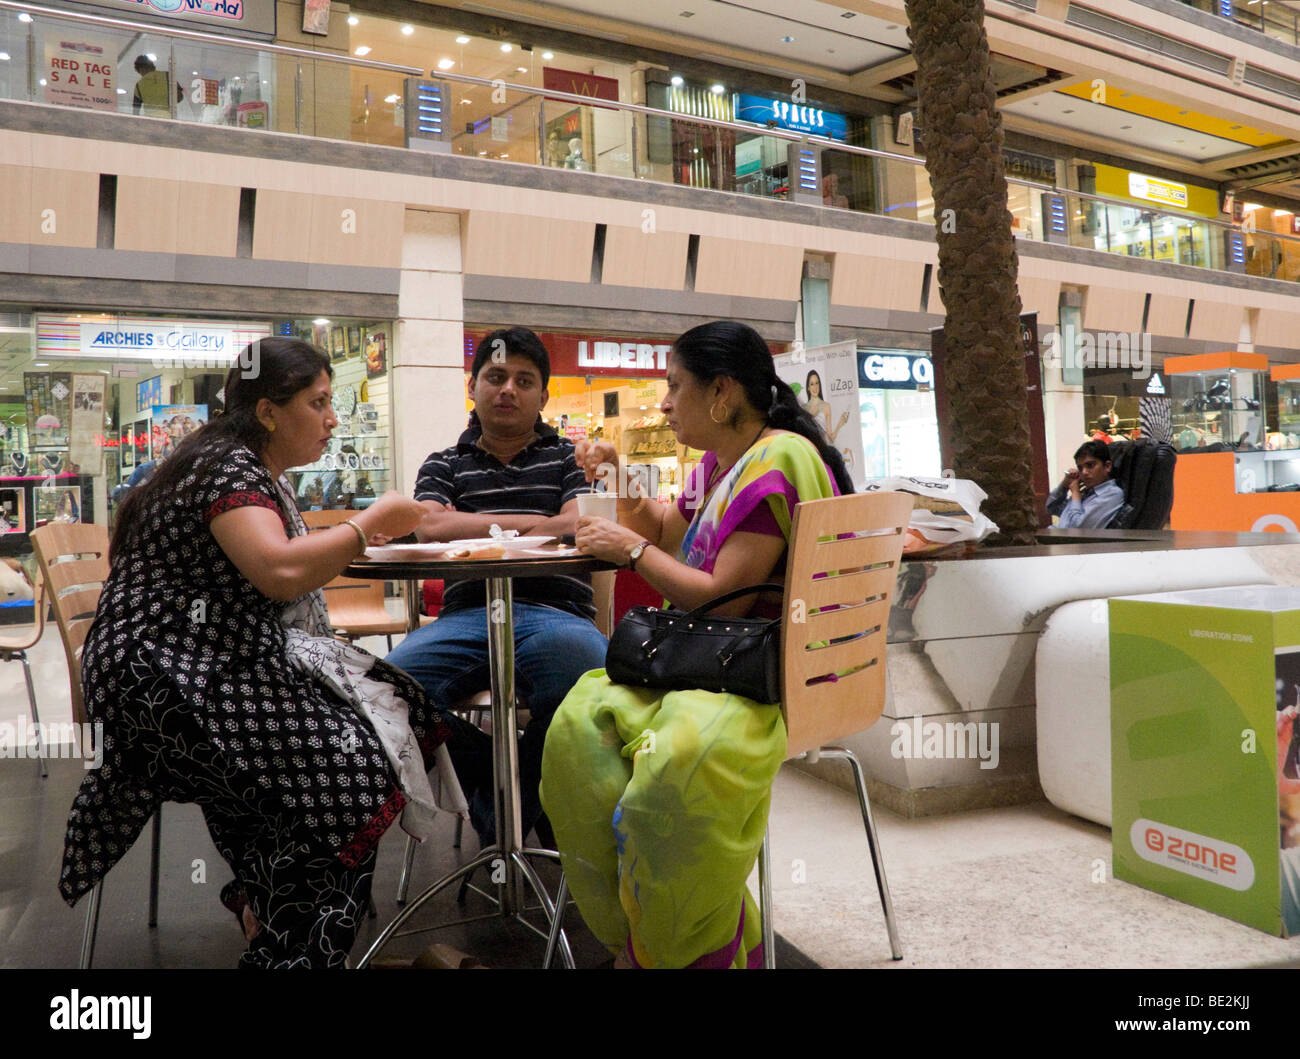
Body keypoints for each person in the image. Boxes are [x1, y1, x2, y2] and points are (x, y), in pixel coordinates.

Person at [59, 337, 452, 969]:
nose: (332, 419)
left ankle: (273, 917)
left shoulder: (227, 463)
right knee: (352, 766)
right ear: (269, 411)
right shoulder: (231, 470)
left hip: (183, 668)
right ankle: (292, 946)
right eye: (319, 402)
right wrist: (368, 520)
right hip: (166, 682)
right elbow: (277, 570)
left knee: (365, 734)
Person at [541, 319, 854, 969]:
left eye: (674, 387)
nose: (663, 402)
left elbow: (719, 597)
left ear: (721, 393)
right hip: (711, 666)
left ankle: (678, 947)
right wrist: (621, 475)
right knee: (575, 732)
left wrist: (629, 551)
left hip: (758, 673)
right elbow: (661, 523)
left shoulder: (778, 460)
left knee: (672, 769)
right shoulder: (724, 462)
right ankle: (655, 935)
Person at [385, 327, 609, 847]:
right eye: (496, 376)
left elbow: (578, 523)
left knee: (586, 682)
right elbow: (432, 528)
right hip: (467, 616)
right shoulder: (444, 463)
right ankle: (499, 779)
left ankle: (514, 802)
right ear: (473, 385)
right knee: (387, 691)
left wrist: (477, 523)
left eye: (524, 380)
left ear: (543, 396)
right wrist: (535, 522)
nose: (508, 389)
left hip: (555, 613)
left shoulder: (568, 460)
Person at [1046, 439, 1125, 529]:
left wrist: (1075, 493)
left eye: (1090, 465)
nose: (1084, 472)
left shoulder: (1112, 494)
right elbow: (1051, 507)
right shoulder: (1085, 492)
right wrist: (1064, 485)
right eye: (1080, 468)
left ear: (1107, 466)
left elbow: (1077, 529)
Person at [803, 369, 850, 444]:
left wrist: (840, 424)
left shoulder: (826, 406)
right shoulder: (803, 408)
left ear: (819, 384)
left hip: (822, 449)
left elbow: (830, 439)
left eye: (817, 383)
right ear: (808, 388)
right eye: (812, 384)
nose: (815, 387)